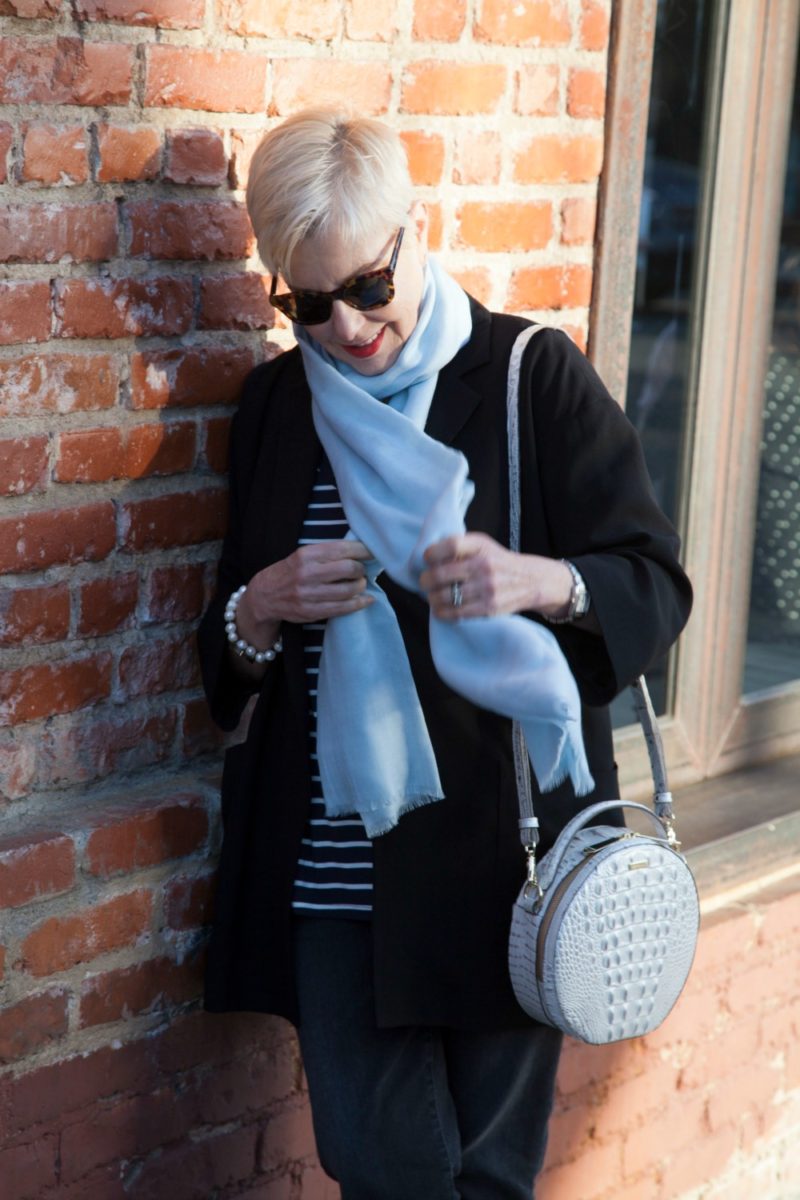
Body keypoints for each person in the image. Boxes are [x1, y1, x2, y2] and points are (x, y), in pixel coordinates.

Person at [197, 108, 692, 1200]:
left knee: (488, 1178)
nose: (346, 330)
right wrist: (264, 603)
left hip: (505, 856)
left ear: (416, 232)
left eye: (367, 287)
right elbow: (224, 653)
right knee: (382, 1169)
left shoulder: (527, 375)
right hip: (337, 861)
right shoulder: (277, 407)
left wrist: (539, 581)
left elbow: (653, 581)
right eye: (308, 304)